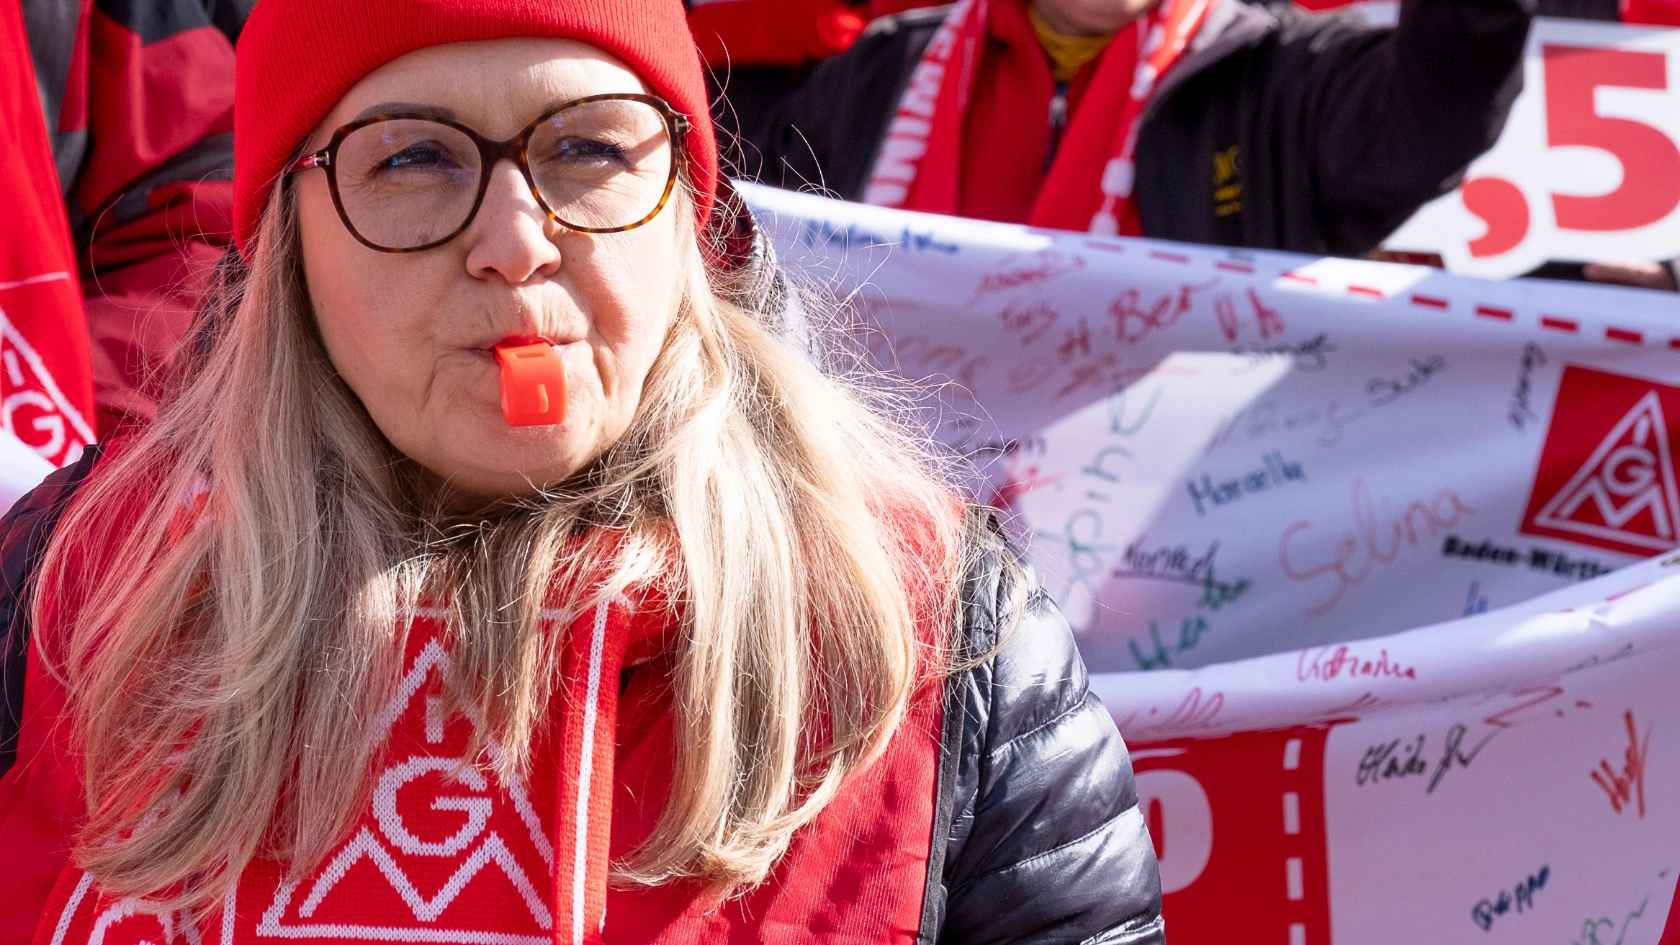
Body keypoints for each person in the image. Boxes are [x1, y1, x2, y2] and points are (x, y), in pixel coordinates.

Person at [0, 2, 1164, 943]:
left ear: (686, 215)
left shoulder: (938, 626)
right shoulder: (65, 589)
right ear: (288, 243)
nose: (515, 242)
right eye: (412, 158)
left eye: (590, 148)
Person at [748, 0, 1534, 259]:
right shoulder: (881, 70)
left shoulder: (1273, 76)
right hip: (888, 555)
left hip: (1176, 572)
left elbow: (1436, 114)